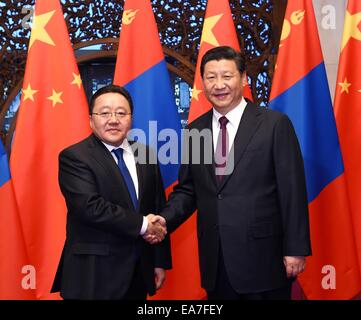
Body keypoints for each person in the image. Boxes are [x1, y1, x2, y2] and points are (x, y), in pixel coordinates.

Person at [158, 46, 311, 300]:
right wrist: (164, 220)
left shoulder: (274, 124)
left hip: (265, 258)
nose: (219, 85)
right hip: (216, 260)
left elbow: (292, 189)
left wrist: (295, 249)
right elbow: (189, 189)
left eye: (227, 76)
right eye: (211, 77)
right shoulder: (196, 130)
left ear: (243, 79)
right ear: (203, 82)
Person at [51, 84, 170, 300]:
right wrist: (144, 225)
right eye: (104, 113)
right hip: (93, 275)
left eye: (121, 113)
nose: (113, 119)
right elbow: (89, 207)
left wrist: (159, 261)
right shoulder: (74, 157)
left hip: (137, 273)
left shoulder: (145, 154)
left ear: (131, 119)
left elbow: (156, 206)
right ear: (91, 119)